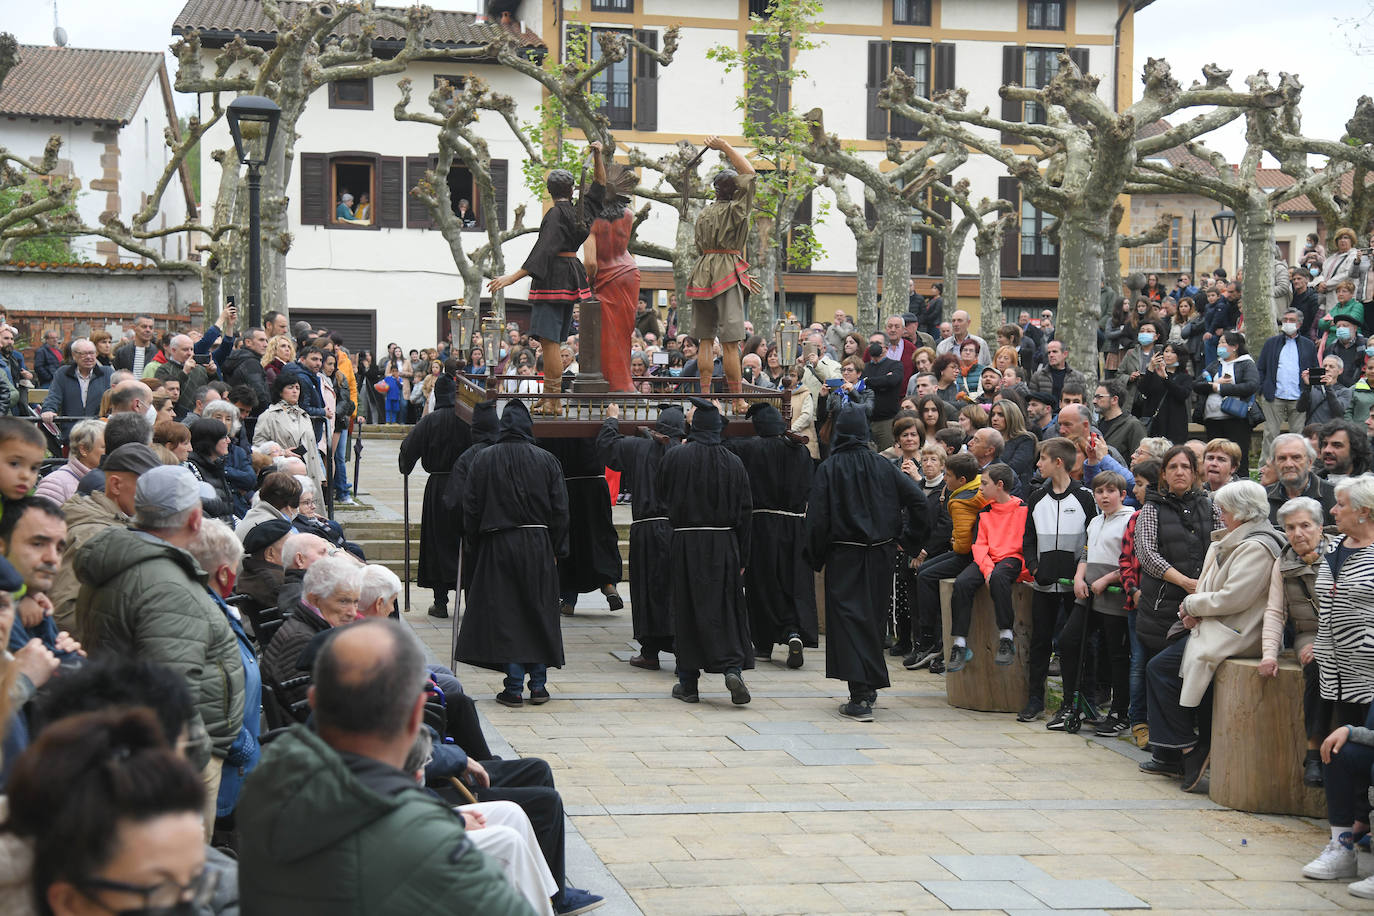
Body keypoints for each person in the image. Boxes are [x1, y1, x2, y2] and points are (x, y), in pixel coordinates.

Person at [237, 619, 537, 914]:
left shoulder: (267, 775)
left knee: (510, 814)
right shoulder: (426, 839)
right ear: (417, 712)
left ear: (314, 701)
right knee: (508, 838)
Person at [74, 464, 245, 839]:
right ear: (196, 518)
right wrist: (196, 761)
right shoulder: (165, 584)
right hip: (174, 764)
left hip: (137, 749)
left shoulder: (134, 562)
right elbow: (171, 694)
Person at [1139, 480, 1282, 793]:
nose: (1220, 512)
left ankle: (1191, 748)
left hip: (1236, 631)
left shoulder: (1257, 546)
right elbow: (1211, 588)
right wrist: (1195, 611)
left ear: (1243, 511)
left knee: (1162, 669)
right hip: (1213, 623)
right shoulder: (1230, 539)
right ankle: (1179, 749)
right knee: (1162, 666)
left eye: (1226, 508)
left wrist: (1192, 604)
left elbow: (1234, 597)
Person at [806, 405, 928, 721]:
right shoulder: (884, 466)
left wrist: (815, 556)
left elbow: (817, 520)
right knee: (871, 619)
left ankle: (860, 694)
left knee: (848, 621)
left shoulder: (830, 469)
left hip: (845, 555)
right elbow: (918, 500)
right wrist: (907, 539)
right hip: (879, 555)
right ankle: (866, 687)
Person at [456, 400, 569, 706]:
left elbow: (471, 507)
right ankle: (538, 684)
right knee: (538, 610)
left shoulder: (484, 459)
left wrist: (475, 542)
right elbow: (560, 510)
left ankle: (515, 685)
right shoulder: (547, 461)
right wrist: (558, 547)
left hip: (498, 544)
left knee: (507, 614)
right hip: (537, 543)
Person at [656, 398, 753, 705]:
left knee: (686, 608)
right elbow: (745, 512)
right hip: (724, 544)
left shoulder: (675, 457)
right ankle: (732, 668)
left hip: (686, 542)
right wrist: (744, 556)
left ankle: (688, 682)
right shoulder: (734, 462)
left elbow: (662, 495)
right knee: (725, 607)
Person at [489, 166, 592, 416]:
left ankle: (553, 401)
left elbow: (543, 250)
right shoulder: (581, 210)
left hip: (553, 279)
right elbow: (598, 189)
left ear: (549, 190)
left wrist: (512, 278)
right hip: (570, 274)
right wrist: (598, 156)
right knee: (552, 342)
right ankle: (550, 397)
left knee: (550, 344)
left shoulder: (556, 214)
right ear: (571, 189)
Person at [728, 403, 817, 668]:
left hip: (762, 525)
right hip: (795, 526)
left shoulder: (751, 448)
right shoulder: (800, 451)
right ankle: (792, 630)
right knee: (792, 582)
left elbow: (721, 442)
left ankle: (764, 644)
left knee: (762, 584)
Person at [597, 404, 683, 670]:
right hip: (676, 530)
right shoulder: (685, 452)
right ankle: (682, 651)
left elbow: (607, 446)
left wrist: (612, 420)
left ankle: (650, 652)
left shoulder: (639, 447)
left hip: (646, 530)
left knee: (646, 588)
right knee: (676, 591)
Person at [1020, 437, 1097, 723]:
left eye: (1042, 459)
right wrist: (1034, 566)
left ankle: (1078, 700)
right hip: (1043, 583)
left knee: (1076, 643)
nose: (1038, 464)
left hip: (1073, 584)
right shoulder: (1037, 497)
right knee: (1040, 641)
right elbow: (1028, 537)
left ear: (1058, 462)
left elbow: (1093, 537)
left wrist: (1081, 571)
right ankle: (1035, 700)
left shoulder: (1085, 497)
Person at [1260, 497, 1335, 788]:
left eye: (1305, 525)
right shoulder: (1283, 561)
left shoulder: (1340, 553)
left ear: (1319, 527)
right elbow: (1275, 612)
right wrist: (1270, 655)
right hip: (1308, 634)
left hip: (1339, 631)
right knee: (1316, 667)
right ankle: (1313, 752)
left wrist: (1327, 642)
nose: (1297, 533)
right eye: (1290, 527)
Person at [683, 137, 758, 406]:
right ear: (735, 189)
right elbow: (749, 173)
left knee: (704, 340)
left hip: (703, 271)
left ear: (715, 189)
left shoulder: (703, 213)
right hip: (727, 270)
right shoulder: (737, 210)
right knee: (730, 343)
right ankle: (737, 400)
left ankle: (704, 396)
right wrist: (725, 146)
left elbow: (697, 246)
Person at [907, 452, 986, 672]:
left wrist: (955, 540)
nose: (945, 479)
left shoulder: (961, 500)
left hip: (969, 555)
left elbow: (962, 546)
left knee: (926, 576)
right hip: (977, 551)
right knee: (925, 572)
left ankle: (930, 638)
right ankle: (931, 639)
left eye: (948, 475)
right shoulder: (978, 487)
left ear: (961, 480)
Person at [399, 377, 469, 619]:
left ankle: (440, 602)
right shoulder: (468, 419)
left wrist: (405, 465)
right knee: (466, 540)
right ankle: (471, 600)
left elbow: (408, 449)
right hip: (467, 487)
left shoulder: (430, 421)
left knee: (439, 540)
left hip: (439, 488)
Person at [945, 463, 1025, 673]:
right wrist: (987, 569)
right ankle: (960, 643)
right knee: (962, 583)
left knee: (1000, 578)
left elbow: (1020, 544)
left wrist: (993, 571)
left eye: (985, 484)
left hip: (1011, 558)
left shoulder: (1023, 509)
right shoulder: (984, 512)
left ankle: (1006, 638)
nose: (980, 488)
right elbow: (979, 545)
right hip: (987, 559)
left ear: (1000, 485)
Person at [538, 436, 623, 619]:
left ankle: (568, 599)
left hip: (568, 483)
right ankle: (608, 584)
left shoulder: (559, 423)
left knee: (571, 539)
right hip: (596, 484)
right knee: (601, 536)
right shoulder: (592, 415)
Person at [583, 141, 638, 393]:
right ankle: (624, 382)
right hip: (629, 272)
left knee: (607, 335)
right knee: (623, 333)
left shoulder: (590, 218)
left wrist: (588, 283)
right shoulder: (628, 215)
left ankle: (617, 384)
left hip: (606, 275)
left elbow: (591, 261)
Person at [1195, 330, 1258, 476]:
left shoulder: (1246, 364)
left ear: (1235, 346)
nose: (1220, 346)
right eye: (1219, 343)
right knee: (1215, 457)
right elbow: (1197, 385)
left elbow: (1251, 386)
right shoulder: (1215, 365)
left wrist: (1222, 388)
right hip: (1213, 419)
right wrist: (1214, 385)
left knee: (1237, 458)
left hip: (1236, 419)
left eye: (1223, 342)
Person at [254, 372, 327, 497]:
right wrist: (281, 452)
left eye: (297, 388)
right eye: (290, 387)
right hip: (284, 473)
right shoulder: (269, 415)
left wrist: (319, 475)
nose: (295, 391)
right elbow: (258, 445)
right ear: (280, 391)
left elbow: (312, 449)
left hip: (309, 474)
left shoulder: (304, 415)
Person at [1258, 307, 1318, 448]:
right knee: (1270, 434)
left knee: (1298, 436)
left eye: (1291, 320)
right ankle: (1265, 468)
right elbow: (1261, 368)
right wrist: (1262, 388)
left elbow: (1314, 369)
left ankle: (1298, 467)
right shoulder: (1271, 343)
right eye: (1285, 320)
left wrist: (1308, 389)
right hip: (1274, 396)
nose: (1287, 323)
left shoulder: (1308, 345)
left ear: (1299, 324)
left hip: (1299, 397)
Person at [40, 338, 112, 440]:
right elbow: (54, 396)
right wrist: (48, 410)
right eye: (83, 354)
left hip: (99, 433)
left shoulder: (107, 373)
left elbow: (116, 398)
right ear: (74, 355)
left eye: (91, 353)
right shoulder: (63, 373)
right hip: (72, 433)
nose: (88, 357)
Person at [1266, 432, 1336, 524]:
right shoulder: (1263, 499)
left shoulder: (1334, 496)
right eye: (1282, 458)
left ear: (1310, 462)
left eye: (1296, 457)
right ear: (1274, 464)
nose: (1289, 464)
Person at [34, 418, 103, 506]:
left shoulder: (110, 480)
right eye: (104, 447)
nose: (111, 451)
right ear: (83, 449)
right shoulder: (54, 484)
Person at [1093, 379, 1145, 461]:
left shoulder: (1133, 426)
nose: (1094, 401)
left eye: (1099, 397)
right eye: (1094, 397)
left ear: (1114, 399)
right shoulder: (1096, 426)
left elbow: (1140, 461)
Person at [1028, 340, 1088, 407]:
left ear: (1065, 354)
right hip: (1046, 415)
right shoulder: (1038, 376)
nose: (1051, 355)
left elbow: (1084, 402)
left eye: (1054, 352)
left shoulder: (1078, 377)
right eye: (1049, 352)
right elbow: (1032, 401)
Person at [1306, 354, 1354, 426]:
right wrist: (1307, 386)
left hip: (1331, 431)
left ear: (1340, 371)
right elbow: (1301, 408)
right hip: (1312, 431)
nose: (1327, 369)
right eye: (1324, 366)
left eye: (1331, 367)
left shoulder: (1345, 391)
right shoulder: (1314, 388)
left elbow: (1338, 412)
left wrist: (1328, 387)